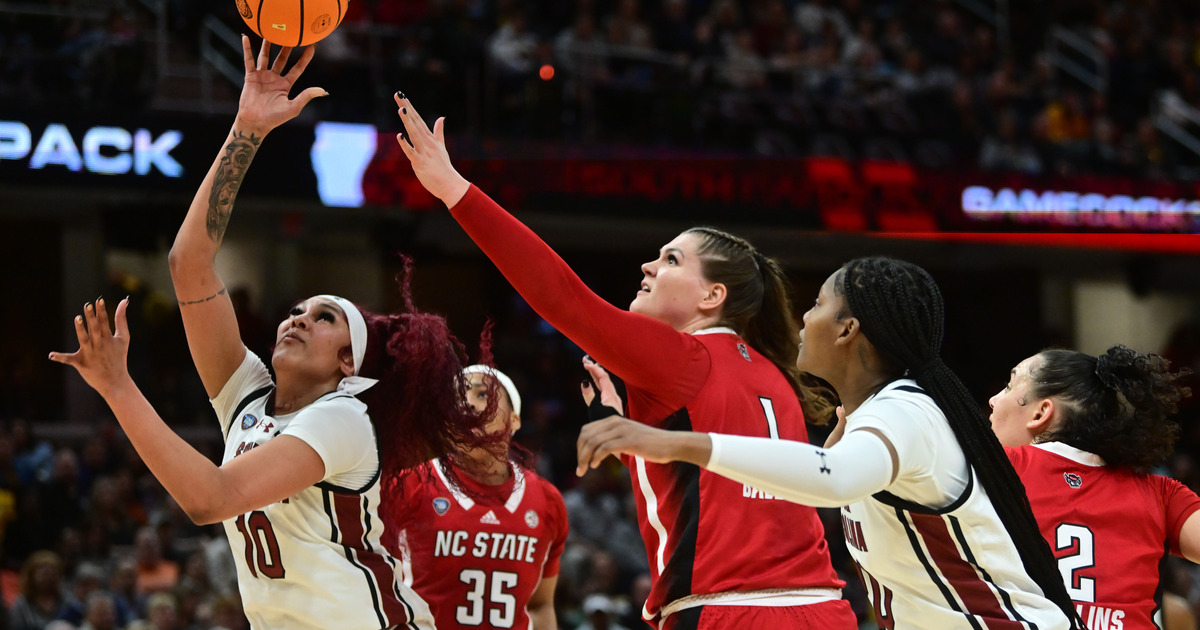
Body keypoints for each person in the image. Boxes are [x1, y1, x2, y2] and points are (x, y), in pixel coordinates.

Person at [49, 36, 489, 629]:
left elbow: (210, 499)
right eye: (299, 309)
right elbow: (190, 265)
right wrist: (247, 129)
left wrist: (118, 387)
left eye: (325, 317)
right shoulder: (248, 397)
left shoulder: (345, 418)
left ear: (347, 366)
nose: (299, 317)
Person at [394, 94, 856, 629]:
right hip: (825, 610)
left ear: (712, 298)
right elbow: (711, 483)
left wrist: (454, 189)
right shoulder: (773, 375)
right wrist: (629, 430)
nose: (648, 264)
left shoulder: (683, 355)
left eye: (671, 259)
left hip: (732, 612)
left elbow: (562, 296)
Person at [575, 257, 1083, 629]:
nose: (803, 319)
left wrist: (677, 443)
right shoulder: (871, 421)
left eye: (817, 304)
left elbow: (831, 477)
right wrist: (630, 435)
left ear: (848, 330)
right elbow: (775, 488)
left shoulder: (905, 412)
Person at [989, 344, 1200, 630]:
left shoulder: (997, 467)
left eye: (1009, 385)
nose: (993, 399)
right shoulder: (1160, 492)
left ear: (1041, 413)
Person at [396, 365, 568, 630]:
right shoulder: (410, 484)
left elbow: (541, 605)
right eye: (458, 400)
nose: (468, 406)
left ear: (514, 420)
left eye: (482, 395)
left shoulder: (547, 500)